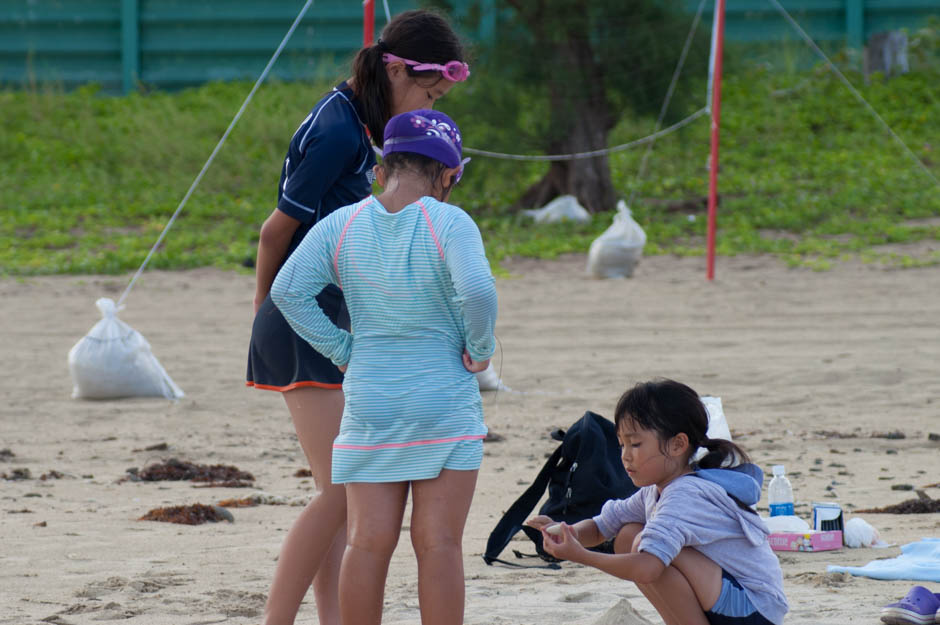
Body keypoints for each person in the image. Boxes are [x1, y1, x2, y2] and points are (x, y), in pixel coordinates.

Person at [245, 10, 469, 625]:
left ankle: (332, 616)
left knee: (340, 490)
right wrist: (266, 314)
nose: (427, 102)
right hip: (303, 319)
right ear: (395, 68)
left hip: (332, 319)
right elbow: (275, 230)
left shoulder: (364, 117)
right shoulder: (341, 131)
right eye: (427, 91)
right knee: (345, 491)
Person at [271, 109, 496, 625]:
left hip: (370, 402)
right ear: (448, 175)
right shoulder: (450, 221)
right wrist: (479, 346)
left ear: (380, 170)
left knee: (367, 543)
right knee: (438, 543)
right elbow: (479, 291)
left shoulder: (341, 223)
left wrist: (343, 350)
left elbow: (288, 292)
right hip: (443, 403)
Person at [526, 379, 789, 625]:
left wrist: (582, 556)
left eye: (636, 444)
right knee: (629, 534)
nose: (625, 457)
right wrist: (566, 533)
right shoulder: (656, 490)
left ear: (678, 445)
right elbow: (601, 526)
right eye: (621, 445)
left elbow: (649, 569)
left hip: (753, 608)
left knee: (643, 545)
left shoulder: (686, 495)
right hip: (730, 598)